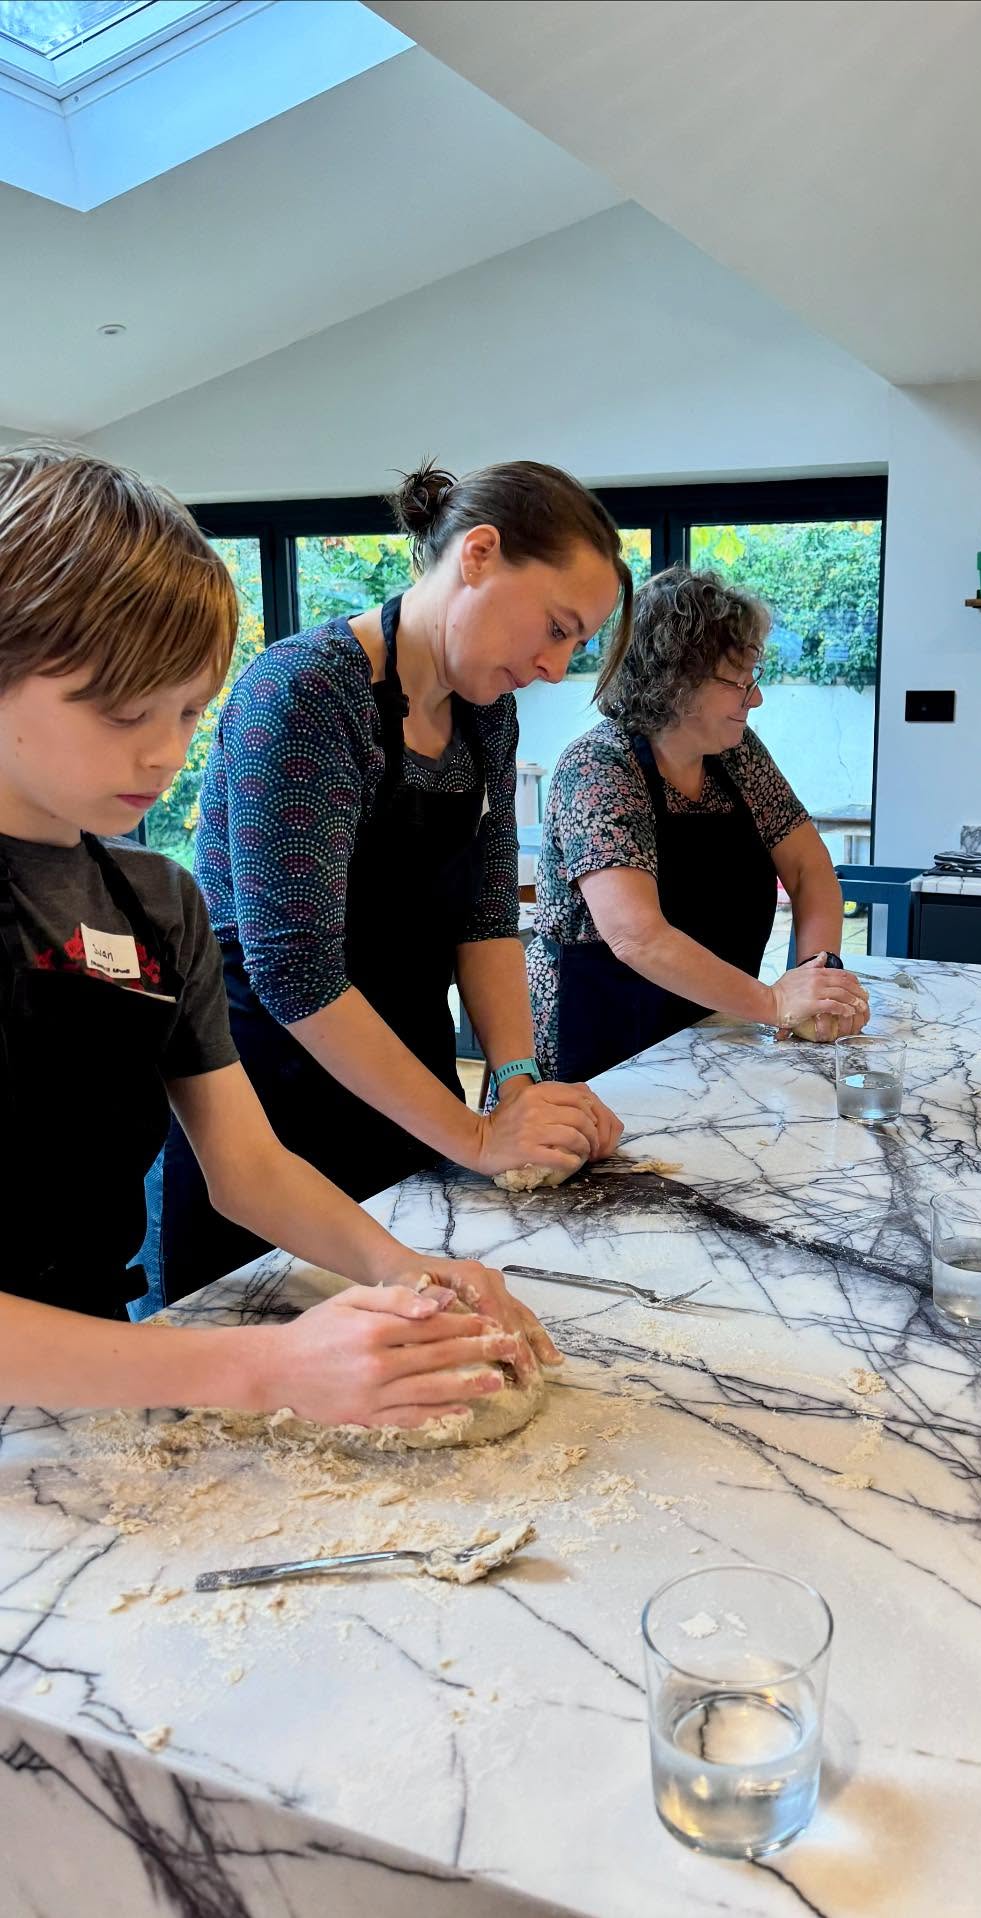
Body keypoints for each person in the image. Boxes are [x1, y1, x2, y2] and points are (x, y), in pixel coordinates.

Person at [0, 445, 557, 1430]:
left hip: (87, 1390)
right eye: (126, 711)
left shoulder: (155, 904)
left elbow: (248, 1169)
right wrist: (260, 1366)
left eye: (185, 710)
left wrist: (416, 1273)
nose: (166, 752)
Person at [161, 461, 628, 1293]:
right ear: (478, 555)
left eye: (577, 645)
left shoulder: (487, 711)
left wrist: (516, 1086)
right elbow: (294, 969)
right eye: (556, 628)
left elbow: (486, 915)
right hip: (274, 1111)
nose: (557, 666)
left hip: (412, 1099)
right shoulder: (304, 693)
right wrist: (478, 1139)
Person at [527, 566, 870, 1082]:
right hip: (597, 1044)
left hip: (706, 1027)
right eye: (740, 680)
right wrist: (774, 1002)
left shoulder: (736, 756)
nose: (755, 698)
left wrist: (814, 979)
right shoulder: (598, 767)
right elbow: (635, 937)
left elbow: (808, 869)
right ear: (677, 682)